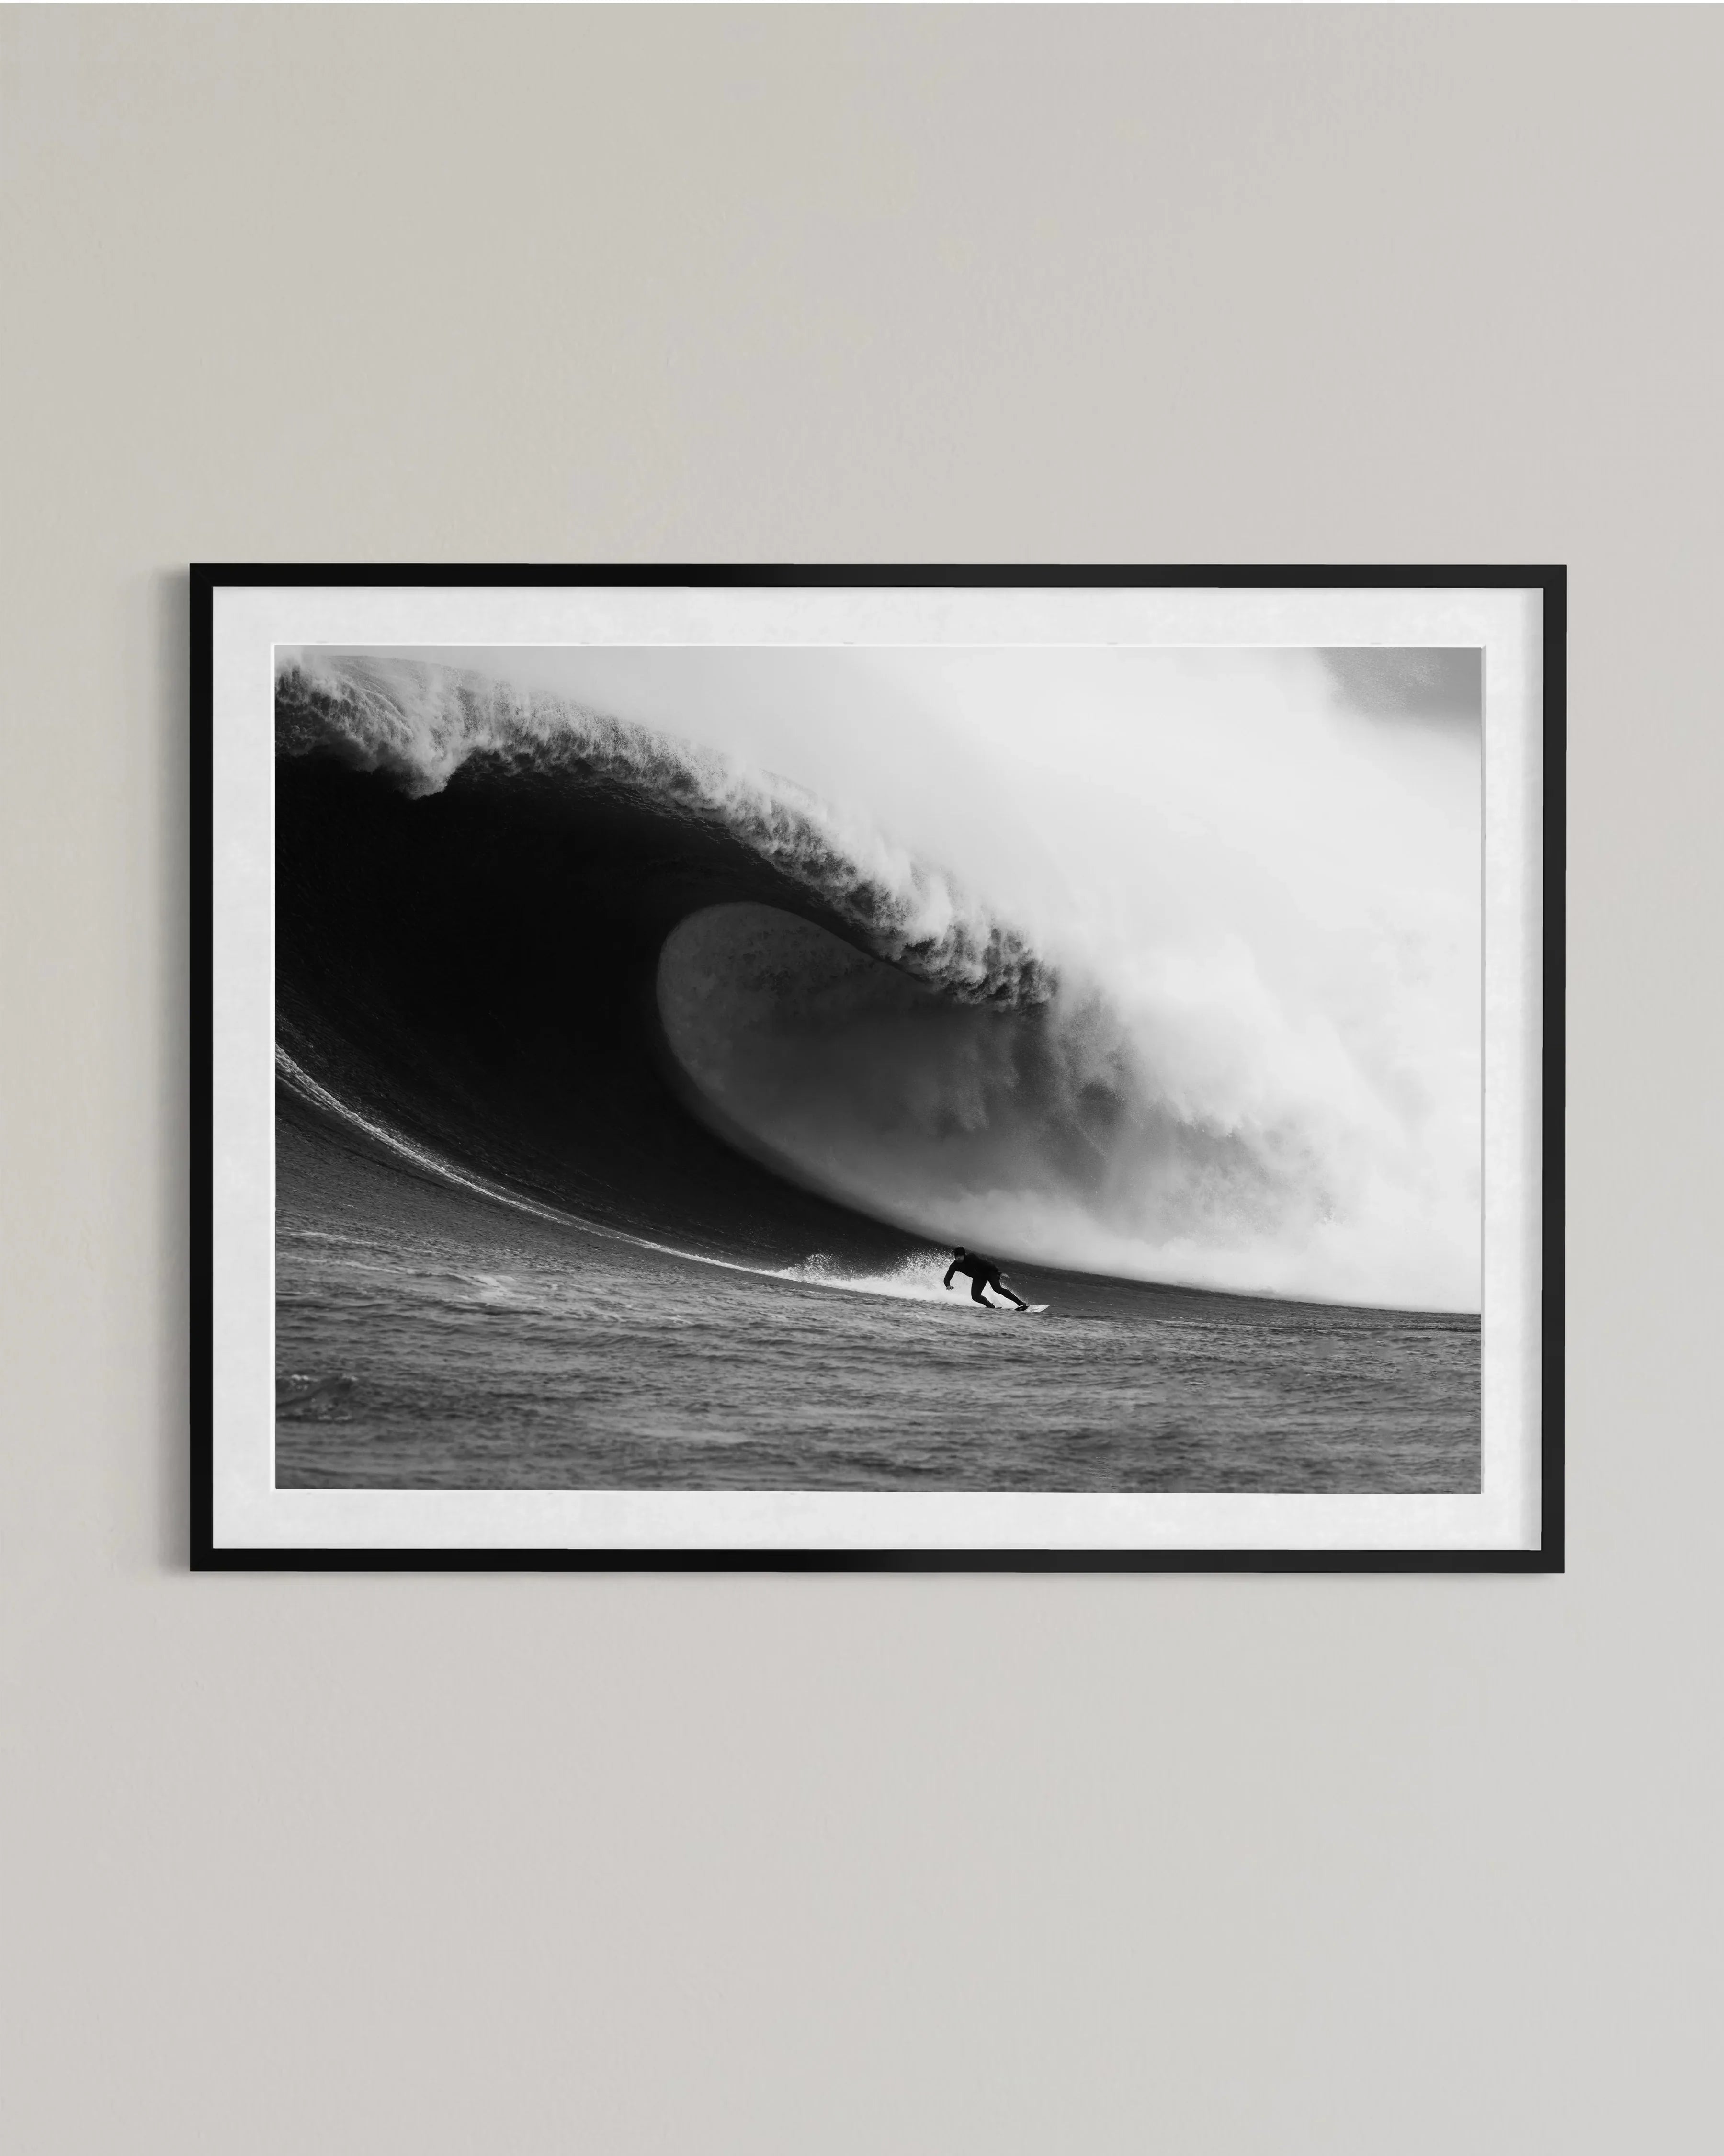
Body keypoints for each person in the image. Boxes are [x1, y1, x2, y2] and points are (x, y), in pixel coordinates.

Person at [943, 1246, 1029, 1311]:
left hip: (989, 1273)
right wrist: (948, 1285)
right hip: (979, 1278)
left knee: (997, 1289)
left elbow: (987, 1264)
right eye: (957, 1256)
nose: (958, 1258)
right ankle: (991, 1306)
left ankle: (1021, 1303)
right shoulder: (955, 1266)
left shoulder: (971, 1257)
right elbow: (947, 1277)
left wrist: (999, 1273)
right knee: (975, 1297)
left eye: (960, 1256)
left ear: (964, 1255)